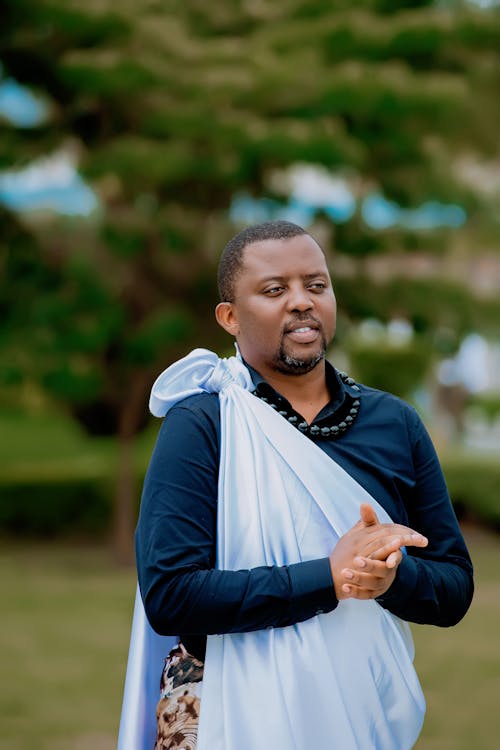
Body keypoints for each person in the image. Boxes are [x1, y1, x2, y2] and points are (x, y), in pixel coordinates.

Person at [128, 220, 473, 750]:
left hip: (361, 710)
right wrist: (327, 578)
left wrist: (390, 580)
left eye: (316, 285)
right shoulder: (205, 423)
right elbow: (172, 595)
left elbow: (453, 588)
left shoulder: (394, 423)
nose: (301, 302)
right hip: (221, 710)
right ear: (229, 316)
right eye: (274, 290)